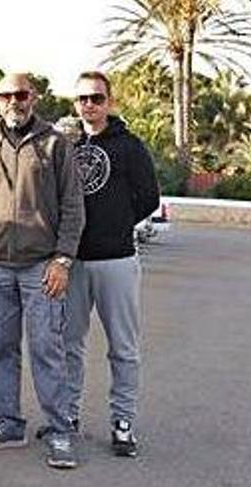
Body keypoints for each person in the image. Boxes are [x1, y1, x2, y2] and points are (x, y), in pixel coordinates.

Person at [0, 73, 85, 469]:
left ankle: (59, 430)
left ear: (33, 97)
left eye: (21, 94)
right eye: (6, 95)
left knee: (47, 350)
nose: (14, 101)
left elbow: (73, 208)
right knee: (1, 348)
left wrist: (62, 259)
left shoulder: (56, 144)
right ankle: (8, 422)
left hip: (41, 268)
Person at [62, 71, 160, 458]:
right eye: (84, 98)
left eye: (97, 98)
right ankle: (67, 416)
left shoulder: (130, 146)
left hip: (116, 259)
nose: (90, 104)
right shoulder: (66, 145)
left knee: (123, 345)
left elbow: (148, 198)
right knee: (68, 343)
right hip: (72, 261)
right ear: (76, 103)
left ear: (109, 102)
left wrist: (115, 225)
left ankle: (123, 421)